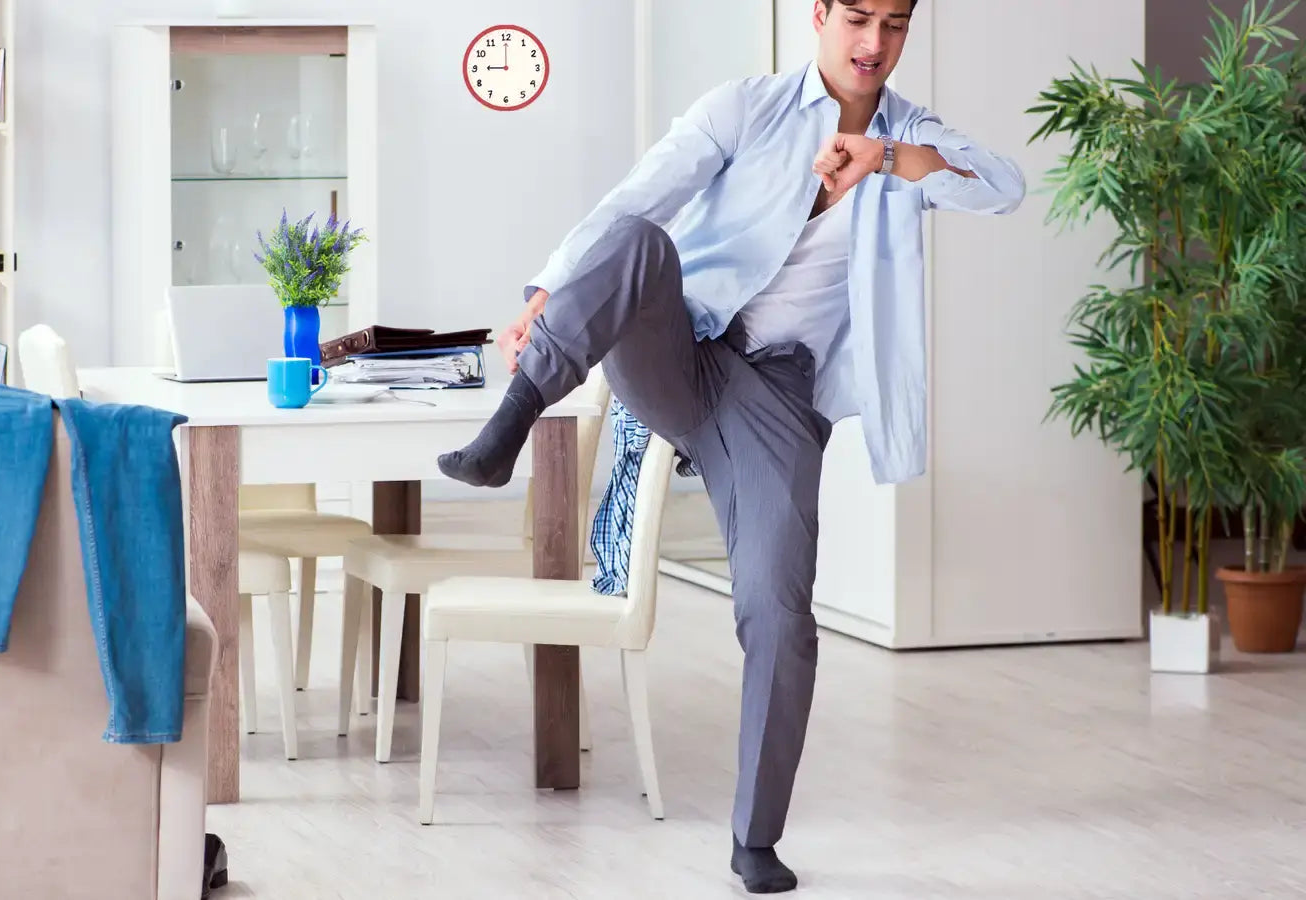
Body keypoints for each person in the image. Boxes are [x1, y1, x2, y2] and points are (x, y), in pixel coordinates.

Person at [437, 0, 1024, 893]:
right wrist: (542, 294)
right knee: (640, 242)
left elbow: (1003, 186)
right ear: (819, 13)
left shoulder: (914, 138)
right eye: (857, 17)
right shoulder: (746, 107)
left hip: (777, 399)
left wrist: (885, 159)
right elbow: (636, 199)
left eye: (895, 24)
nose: (873, 43)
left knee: (780, 612)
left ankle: (756, 839)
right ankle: (507, 428)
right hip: (680, 349)